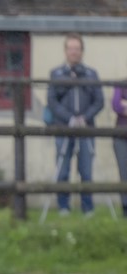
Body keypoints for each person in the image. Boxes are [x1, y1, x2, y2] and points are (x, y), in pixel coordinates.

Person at [47, 32, 104, 216]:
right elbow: (52, 102)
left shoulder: (91, 74)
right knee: (62, 169)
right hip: (64, 128)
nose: (74, 52)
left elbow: (99, 101)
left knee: (86, 171)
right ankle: (63, 207)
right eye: (71, 48)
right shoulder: (56, 74)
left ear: (82, 51)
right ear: (65, 50)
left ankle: (88, 208)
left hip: (86, 129)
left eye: (77, 49)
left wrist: (84, 118)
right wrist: (70, 119)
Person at [112, 80, 127, 216]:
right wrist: (122, 105)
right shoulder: (121, 84)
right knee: (124, 173)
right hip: (122, 137)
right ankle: (125, 207)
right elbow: (116, 105)